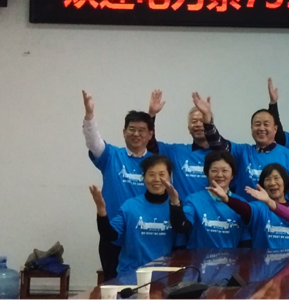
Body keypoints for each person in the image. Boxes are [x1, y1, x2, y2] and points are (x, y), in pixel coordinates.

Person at [82, 90, 156, 279]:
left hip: (146, 237)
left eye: (142, 130)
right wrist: (89, 116)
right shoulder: (111, 156)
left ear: (150, 135)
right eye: (132, 129)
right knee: (113, 286)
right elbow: (93, 142)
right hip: (113, 235)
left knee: (150, 287)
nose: (136, 134)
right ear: (124, 132)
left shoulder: (157, 163)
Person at [197, 94, 289, 203]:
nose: (261, 128)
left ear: (275, 129)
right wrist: (207, 119)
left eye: (266, 124)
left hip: (278, 215)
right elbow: (218, 144)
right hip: (245, 213)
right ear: (251, 128)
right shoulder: (242, 152)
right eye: (257, 124)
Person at [89, 155, 181, 277]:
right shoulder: (130, 206)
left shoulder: (176, 208)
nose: (156, 179)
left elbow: (179, 248)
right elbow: (109, 235)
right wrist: (101, 211)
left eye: (162, 174)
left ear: (170, 177)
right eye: (151, 174)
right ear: (144, 177)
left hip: (163, 277)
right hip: (130, 275)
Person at [146, 90, 228, 201]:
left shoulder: (222, 154)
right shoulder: (176, 151)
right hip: (183, 209)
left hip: (213, 209)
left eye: (202, 121)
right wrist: (151, 116)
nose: (198, 124)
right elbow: (150, 145)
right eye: (194, 121)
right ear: (188, 128)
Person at [165, 150, 249, 248]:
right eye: (214, 170)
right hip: (197, 257)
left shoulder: (241, 204)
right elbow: (181, 226)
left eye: (225, 170)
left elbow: (246, 241)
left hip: (231, 257)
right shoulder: (193, 200)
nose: (219, 175)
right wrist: (175, 201)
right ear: (207, 174)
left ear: (232, 175)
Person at [221, 163, 289, 250]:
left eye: (276, 178)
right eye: (268, 179)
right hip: (261, 259)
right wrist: (227, 199)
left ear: (285, 181)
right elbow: (244, 208)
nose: (272, 183)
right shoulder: (259, 207)